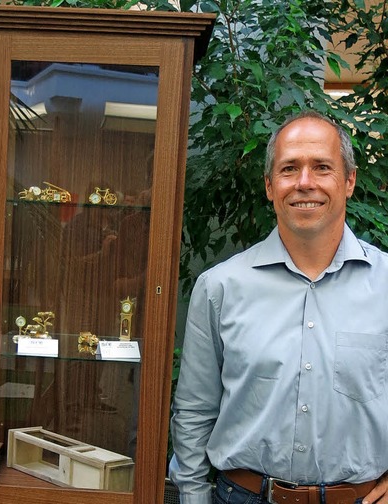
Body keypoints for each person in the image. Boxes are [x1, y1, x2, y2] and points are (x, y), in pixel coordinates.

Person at [169, 110, 388, 504]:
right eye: (290, 169)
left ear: (349, 180)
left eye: (322, 167)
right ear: (270, 186)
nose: (305, 183)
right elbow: (194, 413)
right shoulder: (219, 287)